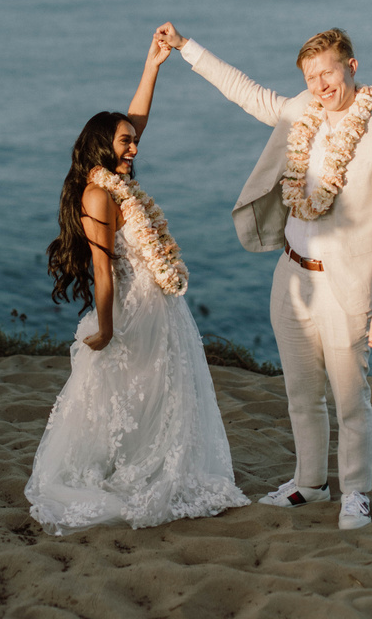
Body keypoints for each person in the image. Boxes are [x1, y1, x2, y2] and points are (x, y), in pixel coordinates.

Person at [155, 22, 372, 530]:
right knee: (301, 393)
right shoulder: (302, 112)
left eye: (329, 72)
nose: (321, 84)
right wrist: (187, 47)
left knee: (349, 399)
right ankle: (311, 484)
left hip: (346, 290)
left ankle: (356, 493)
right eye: (311, 75)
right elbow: (246, 91)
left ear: (352, 67)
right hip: (292, 278)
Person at [24, 37, 250, 535]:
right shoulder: (98, 196)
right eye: (125, 142)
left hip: (159, 301)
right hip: (133, 306)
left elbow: (136, 120)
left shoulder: (113, 177)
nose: (135, 146)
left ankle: (155, 463)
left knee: (162, 392)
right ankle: (133, 472)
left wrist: (152, 66)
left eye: (133, 139)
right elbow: (104, 271)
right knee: (134, 389)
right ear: (104, 147)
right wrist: (105, 329)